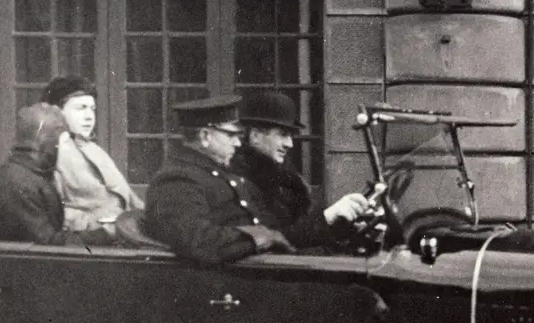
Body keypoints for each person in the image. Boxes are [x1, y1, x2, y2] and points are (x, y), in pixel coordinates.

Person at [142, 96, 293, 266]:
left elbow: (273, 226)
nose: (238, 143)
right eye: (231, 135)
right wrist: (261, 237)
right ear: (205, 136)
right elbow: (198, 241)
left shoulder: (221, 173)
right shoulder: (176, 180)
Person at [233, 90, 371, 250]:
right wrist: (327, 217)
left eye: (290, 136)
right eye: (282, 135)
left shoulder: (285, 176)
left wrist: (343, 224)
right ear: (255, 136)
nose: (289, 144)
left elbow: (305, 230)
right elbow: (274, 239)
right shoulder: (241, 180)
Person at [0, 103, 119, 247]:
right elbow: (49, 246)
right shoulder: (20, 184)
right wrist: (105, 234)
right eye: (62, 142)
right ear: (44, 141)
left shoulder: (22, 175)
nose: (63, 149)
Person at [42, 76, 144, 232]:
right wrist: (101, 224)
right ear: (57, 113)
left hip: (126, 232)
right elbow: (53, 213)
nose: (89, 116)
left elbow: (130, 200)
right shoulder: (52, 155)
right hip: (90, 242)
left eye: (92, 109)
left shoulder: (94, 150)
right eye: (81, 108)